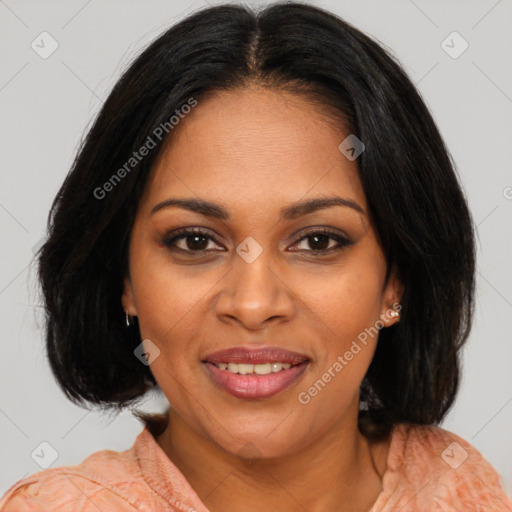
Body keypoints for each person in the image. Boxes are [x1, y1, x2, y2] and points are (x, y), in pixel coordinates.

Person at [1, 2, 510, 511]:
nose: (252, 304)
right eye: (195, 241)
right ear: (125, 279)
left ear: (395, 279)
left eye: (318, 241)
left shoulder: (460, 490)